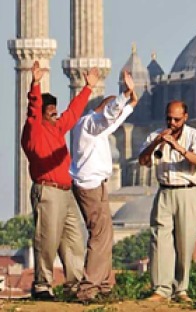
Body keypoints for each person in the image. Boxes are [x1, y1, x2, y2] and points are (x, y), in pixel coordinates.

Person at [21, 60, 100, 300]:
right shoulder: (34, 129)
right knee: (47, 240)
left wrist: (87, 88)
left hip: (66, 192)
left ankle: (75, 286)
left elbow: (73, 113)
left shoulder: (57, 129)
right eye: (51, 109)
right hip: (48, 191)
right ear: (43, 112)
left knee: (74, 241)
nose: (56, 112)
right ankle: (42, 285)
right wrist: (35, 83)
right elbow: (33, 109)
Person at [70, 70, 138, 301]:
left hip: (97, 185)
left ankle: (106, 286)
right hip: (89, 187)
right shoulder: (89, 124)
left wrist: (130, 105)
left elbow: (112, 121)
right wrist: (124, 95)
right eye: (113, 109)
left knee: (105, 235)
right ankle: (88, 288)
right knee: (99, 236)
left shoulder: (96, 129)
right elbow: (109, 115)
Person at [139, 100, 196, 302]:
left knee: (184, 242)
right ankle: (160, 289)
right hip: (165, 191)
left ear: (185, 118)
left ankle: (181, 289)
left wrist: (177, 147)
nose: (172, 122)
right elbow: (143, 162)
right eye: (169, 118)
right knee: (159, 240)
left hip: (188, 192)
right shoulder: (155, 135)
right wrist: (156, 143)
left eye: (176, 119)